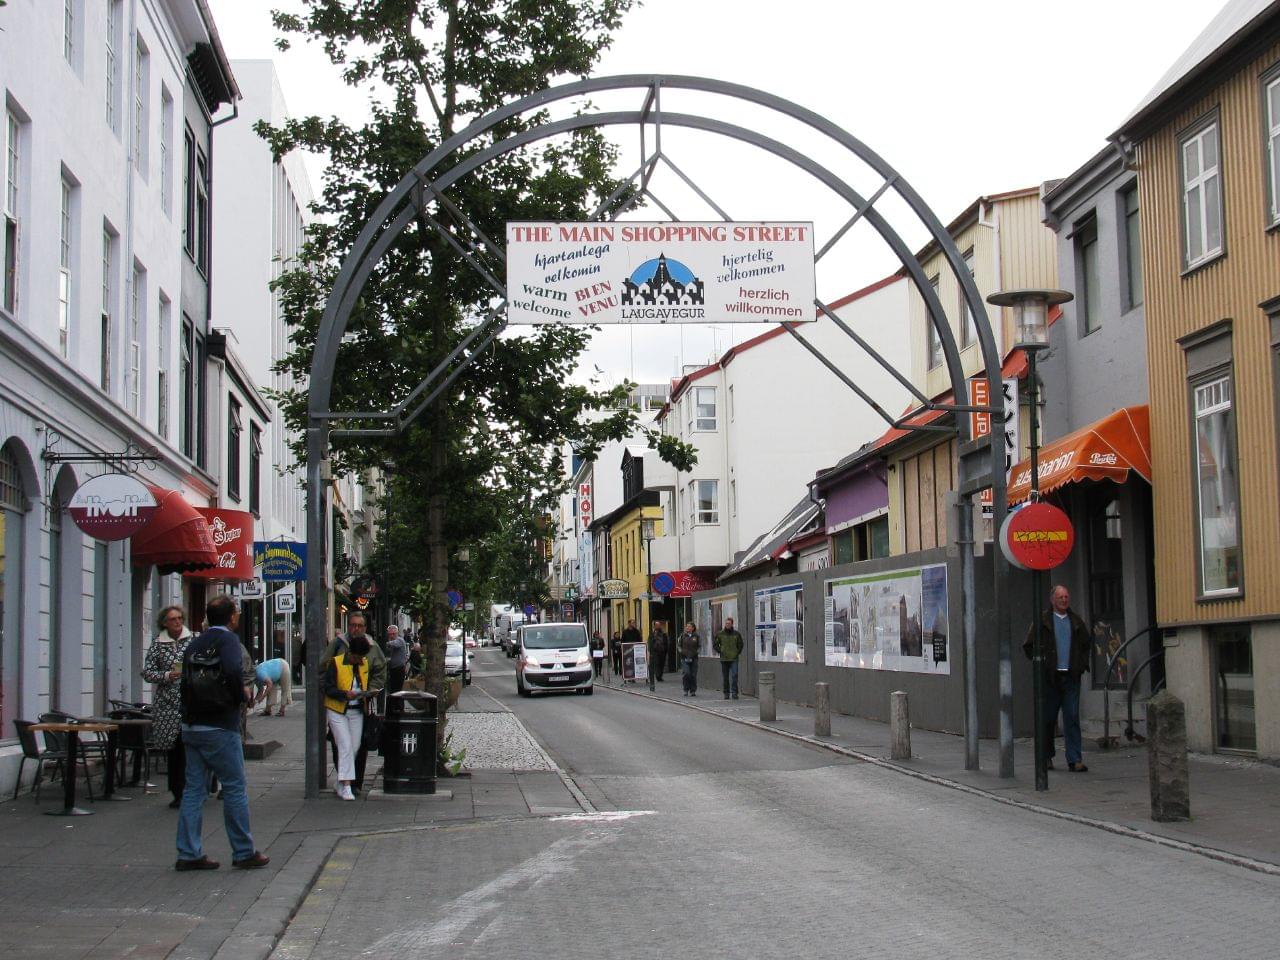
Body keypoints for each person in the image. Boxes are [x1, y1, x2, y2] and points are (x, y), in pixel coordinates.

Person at [174, 595, 269, 871]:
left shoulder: (195, 642)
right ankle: (243, 851)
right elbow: (232, 668)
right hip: (220, 725)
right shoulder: (228, 641)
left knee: (193, 790)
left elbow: (184, 681)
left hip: (192, 725)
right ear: (231, 618)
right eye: (237, 613)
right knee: (234, 787)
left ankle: (188, 852)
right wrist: (240, 694)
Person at [1024, 584, 1092, 772]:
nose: (1064, 600)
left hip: (1071, 676)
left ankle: (1075, 758)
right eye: (1061, 597)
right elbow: (1028, 645)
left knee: (1071, 716)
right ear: (1053, 600)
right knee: (1048, 719)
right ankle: (1046, 757)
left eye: (1066, 597)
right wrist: (1041, 663)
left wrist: (1081, 665)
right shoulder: (1043, 621)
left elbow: (1086, 644)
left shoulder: (1076, 621)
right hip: (1050, 678)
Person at [322, 612, 386, 793]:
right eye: (352, 625)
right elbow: (324, 668)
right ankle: (345, 782)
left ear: (365, 628)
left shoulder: (373, 647)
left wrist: (369, 690)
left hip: (361, 705)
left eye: (359, 625)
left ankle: (353, 783)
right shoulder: (338, 644)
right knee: (340, 745)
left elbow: (380, 672)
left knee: (359, 745)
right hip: (338, 704)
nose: (355, 628)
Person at [142, 605, 192, 809]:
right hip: (168, 706)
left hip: (190, 702)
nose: (177, 622)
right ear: (164, 623)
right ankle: (177, 791)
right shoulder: (158, 645)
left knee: (190, 748)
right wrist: (165, 675)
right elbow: (147, 672)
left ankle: (196, 788)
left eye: (180, 618)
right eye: (173, 619)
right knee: (174, 750)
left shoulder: (192, 640)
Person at [324, 634, 372, 801]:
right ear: (350, 652)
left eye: (361, 658)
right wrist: (345, 694)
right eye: (356, 657)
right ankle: (346, 786)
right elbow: (328, 688)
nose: (359, 660)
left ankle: (340, 781)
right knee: (345, 745)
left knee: (354, 747)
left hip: (356, 710)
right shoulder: (336, 663)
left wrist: (368, 693)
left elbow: (367, 683)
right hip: (337, 709)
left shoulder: (364, 664)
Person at [714, 617, 745, 700]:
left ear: (732, 624)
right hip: (724, 658)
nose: (727, 625)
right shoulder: (720, 634)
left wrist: (737, 652)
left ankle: (734, 692)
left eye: (729, 623)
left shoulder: (736, 634)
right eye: (726, 623)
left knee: (734, 675)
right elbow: (715, 644)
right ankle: (726, 693)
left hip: (734, 658)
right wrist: (721, 651)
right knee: (725, 677)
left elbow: (740, 644)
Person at [679, 622, 701, 697]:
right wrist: (681, 651)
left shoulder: (696, 636)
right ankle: (686, 689)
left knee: (693, 675)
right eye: (687, 626)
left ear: (693, 628)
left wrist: (696, 652)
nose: (687, 628)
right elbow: (679, 646)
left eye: (689, 627)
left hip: (694, 658)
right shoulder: (682, 636)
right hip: (684, 658)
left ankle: (693, 690)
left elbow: (699, 646)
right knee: (686, 673)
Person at [385, 625, 408, 696]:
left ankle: (398, 706)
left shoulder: (399, 640)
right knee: (393, 690)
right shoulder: (393, 641)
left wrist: (385, 643)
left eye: (393, 634)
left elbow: (394, 644)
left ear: (397, 633)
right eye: (390, 634)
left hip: (399, 669)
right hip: (394, 668)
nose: (391, 636)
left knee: (397, 691)